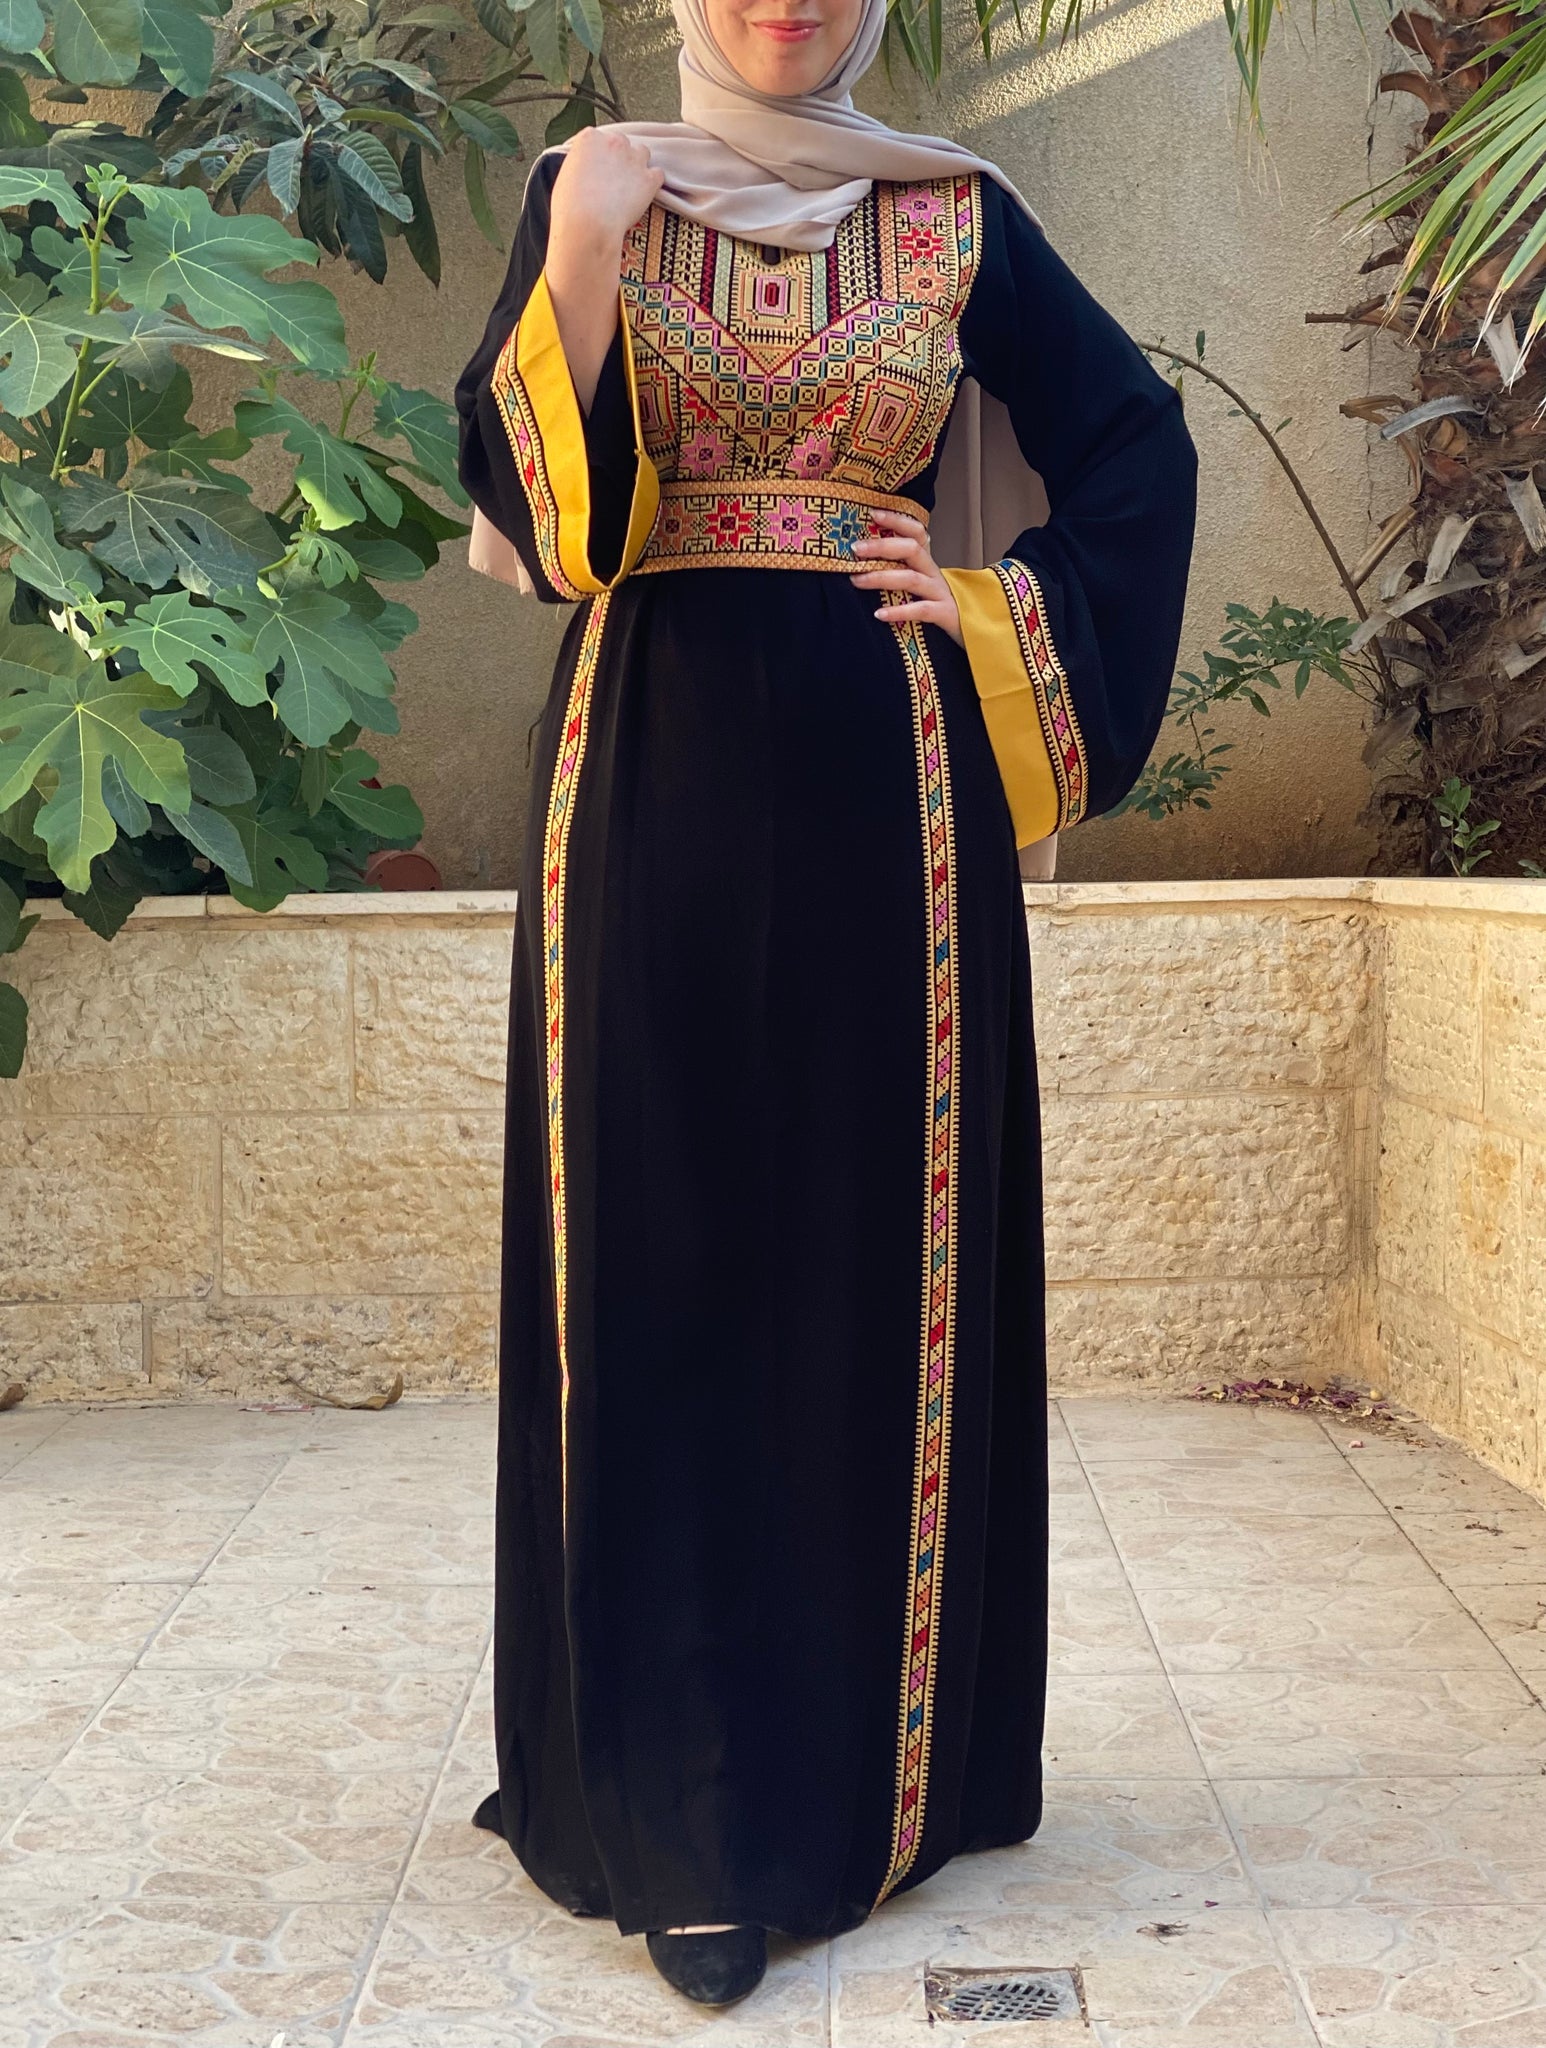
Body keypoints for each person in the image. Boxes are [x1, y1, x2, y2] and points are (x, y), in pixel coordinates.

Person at [454, 0, 1196, 2008]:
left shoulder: (954, 214)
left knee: (877, 1260)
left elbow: (1131, 448)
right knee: (656, 1257)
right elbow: (546, 532)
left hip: (896, 798)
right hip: (646, 775)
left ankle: (888, 1771)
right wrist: (585, 243)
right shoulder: (592, 188)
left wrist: (990, 602)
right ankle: (679, 1815)